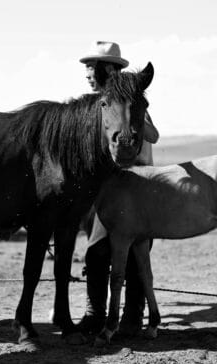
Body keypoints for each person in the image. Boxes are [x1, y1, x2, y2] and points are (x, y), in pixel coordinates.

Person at [77, 41, 160, 337]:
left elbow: (152, 135)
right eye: (87, 66)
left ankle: (131, 316)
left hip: (136, 187)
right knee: (98, 254)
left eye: (93, 66)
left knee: (134, 254)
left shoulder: (129, 98)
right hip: (108, 192)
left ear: (109, 70)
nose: (88, 72)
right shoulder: (96, 104)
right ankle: (98, 313)